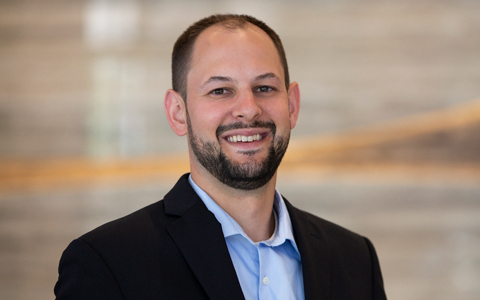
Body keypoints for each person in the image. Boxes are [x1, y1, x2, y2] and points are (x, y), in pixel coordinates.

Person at [54, 14, 387, 300]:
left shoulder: (355, 258)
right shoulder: (107, 263)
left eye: (265, 88)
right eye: (220, 90)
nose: (248, 108)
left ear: (292, 105)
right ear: (178, 113)